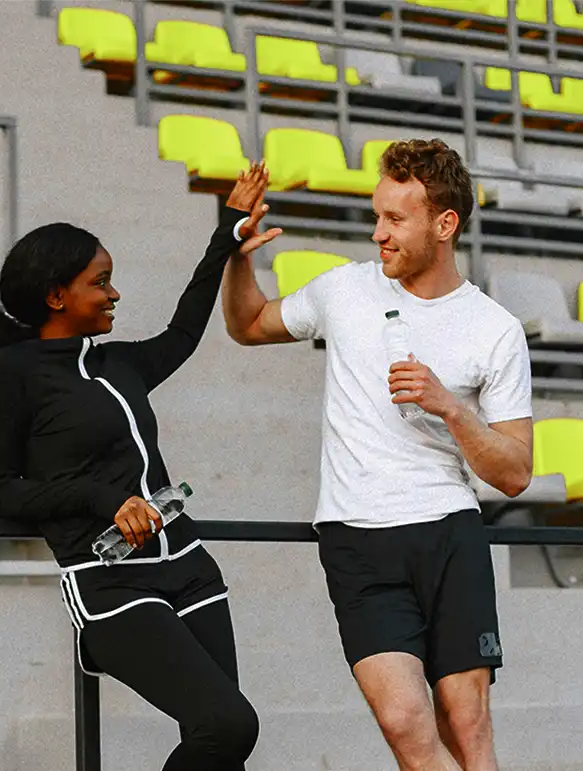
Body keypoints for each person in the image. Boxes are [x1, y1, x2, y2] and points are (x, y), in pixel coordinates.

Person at [221, 139, 533, 771]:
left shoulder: (494, 328)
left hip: (448, 530)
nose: (378, 234)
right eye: (377, 215)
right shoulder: (343, 290)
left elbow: (515, 471)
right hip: (355, 535)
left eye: (395, 220)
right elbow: (249, 325)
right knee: (404, 724)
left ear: (444, 225)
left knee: (466, 723)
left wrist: (449, 406)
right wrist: (236, 258)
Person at [0, 163, 281, 771]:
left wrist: (227, 233)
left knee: (222, 741)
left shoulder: (116, 364)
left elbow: (185, 332)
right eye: (100, 282)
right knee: (229, 722)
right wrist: (101, 498)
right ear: (57, 296)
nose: (114, 294)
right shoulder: (13, 376)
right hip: (110, 581)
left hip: (188, 566)